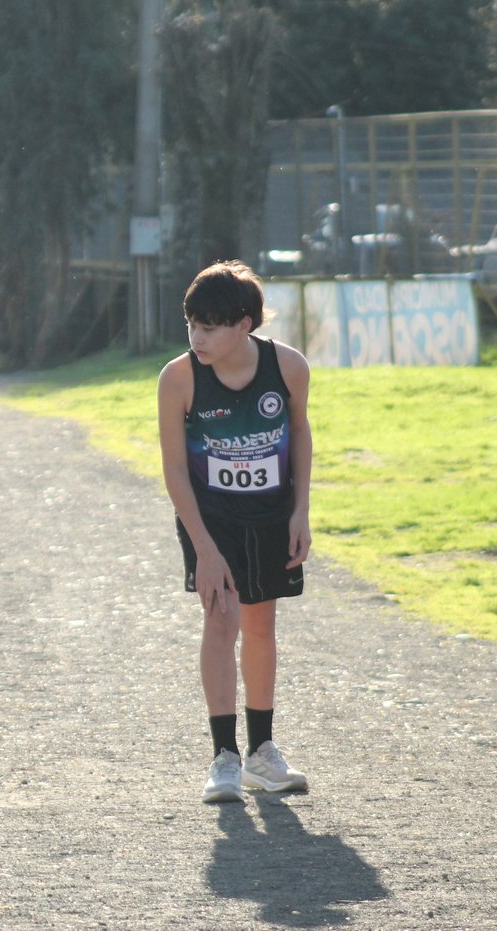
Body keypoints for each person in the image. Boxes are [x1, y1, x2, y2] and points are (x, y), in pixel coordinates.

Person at [157, 261, 313, 804]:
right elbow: (175, 470)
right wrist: (204, 548)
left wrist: (301, 512)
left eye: (211, 327)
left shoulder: (288, 367)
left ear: (244, 325)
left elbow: (300, 434)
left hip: (271, 514)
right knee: (221, 618)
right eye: (192, 324)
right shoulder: (178, 378)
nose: (197, 337)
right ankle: (224, 759)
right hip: (211, 518)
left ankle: (262, 754)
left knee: (261, 624)